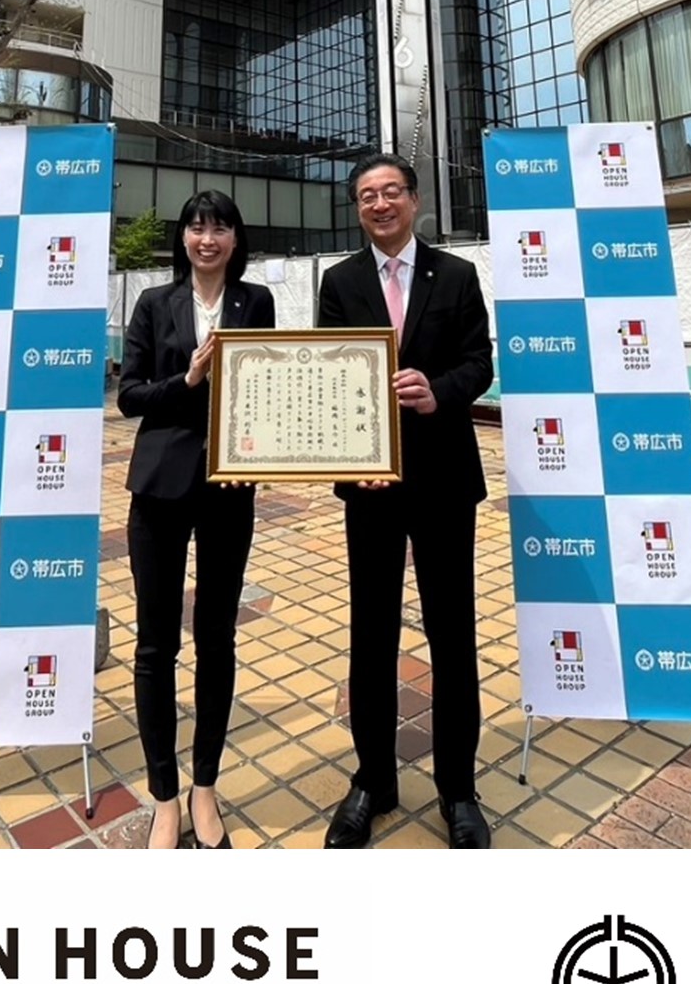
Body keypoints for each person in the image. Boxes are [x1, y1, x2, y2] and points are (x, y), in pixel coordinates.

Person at [316, 152, 495, 848]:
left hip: (444, 477)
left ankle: (459, 789)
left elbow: (478, 363)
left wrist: (438, 391)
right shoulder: (340, 282)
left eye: (391, 191)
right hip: (370, 485)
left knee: (452, 634)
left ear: (414, 200)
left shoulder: (456, 274)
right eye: (367, 195)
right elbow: (329, 378)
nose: (380, 203)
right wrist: (348, 455)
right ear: (357, 208)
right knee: (372, 635)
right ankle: (373, 781)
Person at [117, 189, 276, 849]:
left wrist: (266, 453)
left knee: (217, 638)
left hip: (228, 486)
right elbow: (129, 396)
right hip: (159, 486)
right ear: (182, 238)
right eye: (196, 227)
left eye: (220, 228)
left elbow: (265, 388)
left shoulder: (256, 303)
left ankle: (204, 786)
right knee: (156, 645)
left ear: (236, 240)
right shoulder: (154, 303)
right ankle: (164, 796)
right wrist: (186, 380)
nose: (207, 238)